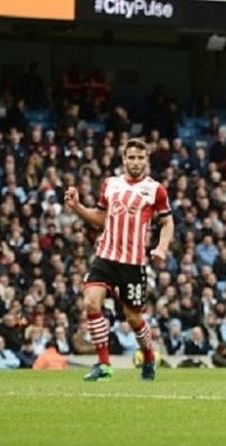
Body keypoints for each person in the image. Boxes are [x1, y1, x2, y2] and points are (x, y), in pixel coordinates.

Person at [64, 138, 174, 381]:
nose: (135, 162)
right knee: (91, 303)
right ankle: (104, 365)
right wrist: (78, 207)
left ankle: (149, 355)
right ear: (124, 159)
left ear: (146, 160)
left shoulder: (155, 189)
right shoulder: (110, 185)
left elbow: (167, 222)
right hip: (105, 257)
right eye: (131, 157)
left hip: (133, 263)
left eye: (140, 157)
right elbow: (101, 218)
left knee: (133, 317)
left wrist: (162, 247)